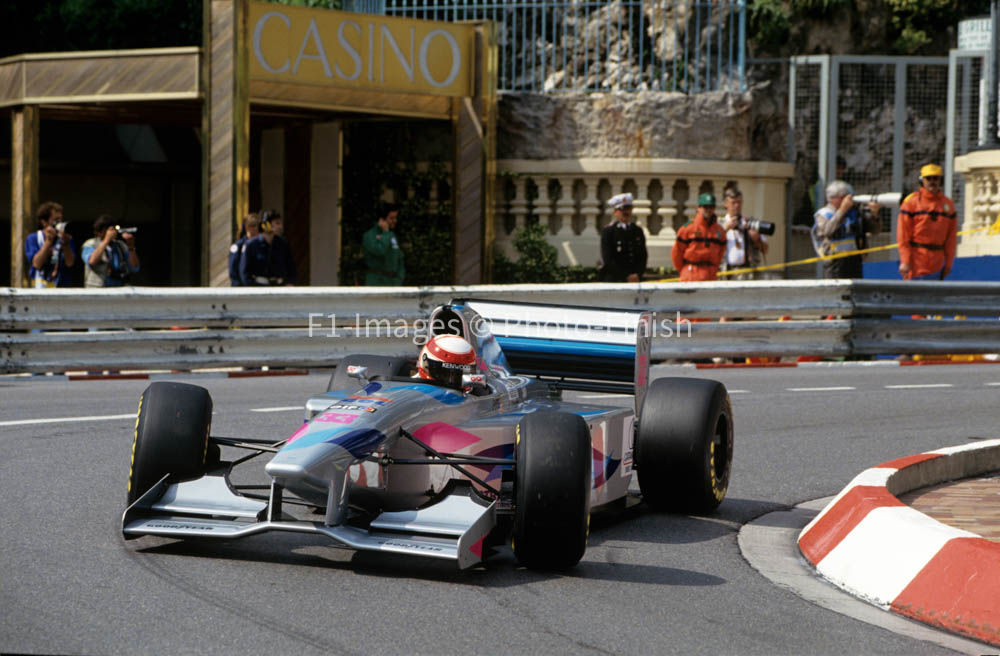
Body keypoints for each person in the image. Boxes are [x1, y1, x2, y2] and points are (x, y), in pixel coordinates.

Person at [897, 163, 958, 280]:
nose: (932, 181)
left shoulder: (948, 205)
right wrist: (905, 261)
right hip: (916, 264)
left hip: (937, 265)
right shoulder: (911, 203)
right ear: (922, 181)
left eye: (935, 178)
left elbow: (951, 239)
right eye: (928, 178)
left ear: (941, 181)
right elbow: (903, 236)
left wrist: (949, 264)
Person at [811, 180, 882, 279]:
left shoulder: (855, 212)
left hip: (855, 259)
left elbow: (875, 231)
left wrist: (874, 214)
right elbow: (828, 231)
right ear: (832, 198)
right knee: (836, 288)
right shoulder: (823, 214)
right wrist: (842, 210)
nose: (847, 200)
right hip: (834, 261)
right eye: (842, 197)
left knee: (855, 287)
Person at [671, 192, 727, 281]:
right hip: (691, 274)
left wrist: (713, 268)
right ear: (698, 208)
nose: (708, 210)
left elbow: (720, 253)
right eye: (705, 207)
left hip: (710, 275)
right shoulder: (688, 228)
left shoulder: (719, 231)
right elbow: (677, 253)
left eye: (711, 207)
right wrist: (685, 270)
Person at [25, 201, 76, 288]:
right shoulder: (33, 238)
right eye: (56, 220)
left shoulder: (67, 239)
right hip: (39, 287)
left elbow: (70, 263)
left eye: (60, 219)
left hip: (61, 287)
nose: (59, 223)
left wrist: (66, 243)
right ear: (44, 222)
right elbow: (36, 264)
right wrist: (48, 242)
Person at [721, 187, 769, 280]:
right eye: (733, 203)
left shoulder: (751, 223)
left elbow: (765, 250)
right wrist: (725, 229)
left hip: (748, 272)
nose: (737, 205)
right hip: (726, 272)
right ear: (726, 204)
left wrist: (757, 239)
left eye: (739, 202)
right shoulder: (720, 224)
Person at [239, 210, 296, 286]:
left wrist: (290, 283)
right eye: (277, 223)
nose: (280, 227)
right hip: (259, 288)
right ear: (266, 224)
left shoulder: (283, 244)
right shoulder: (251, 245)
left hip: (279, 287)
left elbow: (291, 267)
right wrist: (251, 288)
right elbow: (244, 272)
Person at [599, 192, 647, 282]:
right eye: (622, 209)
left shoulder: (637, 230)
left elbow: (643, 256)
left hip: (635, 279)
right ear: (615, 212)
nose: (626, 212)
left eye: (628, 208)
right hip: (616, 280)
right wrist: (626, 276)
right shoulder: (609, 231)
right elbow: (608, 259)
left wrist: (638, 274)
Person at [82, 215, 140, 287]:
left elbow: (135, 268)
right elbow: (92, 261)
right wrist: (106, 240)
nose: (112, 232)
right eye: (107, 229)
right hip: (97, 289)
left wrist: (131, 247)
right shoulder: (90, 244)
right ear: (99, 231)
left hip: (118, 288)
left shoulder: (120, 245)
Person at [363, 202, 405, 286]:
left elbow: (399, 258)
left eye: (395, 218)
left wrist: (399, 278)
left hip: (392, 283)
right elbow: (379, 251)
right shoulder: (370, 235)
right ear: (381, 219)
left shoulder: (391, 235)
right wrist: (385, 233)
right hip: (376, 282)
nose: (395, 221)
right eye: (391, 218)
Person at [228, 213, 261, 286]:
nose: (255, 228)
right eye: (253, 225)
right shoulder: (238, 246)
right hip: (242, 286)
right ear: (247, 227)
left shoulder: (261, 244)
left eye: (257, 226)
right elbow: (233, 269)